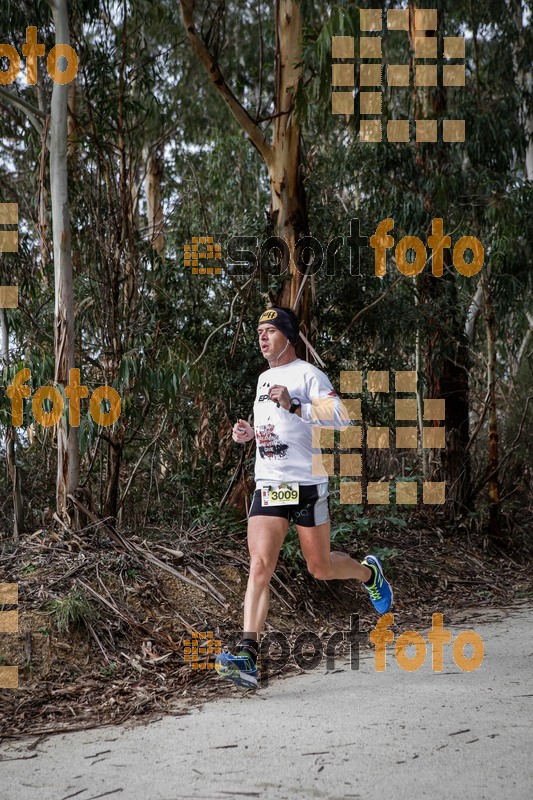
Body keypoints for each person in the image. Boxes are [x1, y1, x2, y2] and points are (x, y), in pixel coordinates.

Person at [215, 307, 393, 689]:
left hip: (308, 483)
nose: (262, 337)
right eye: (259, 331)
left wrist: (295, 404)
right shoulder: (263, 378)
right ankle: (247, 655)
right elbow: (272, 426)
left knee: (320, 567)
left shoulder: (309, 375)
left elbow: (342, 417)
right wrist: (248, 433)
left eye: (270, 331)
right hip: (271, 483)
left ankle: (368, 573)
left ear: (288, 336)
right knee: (260, 564)